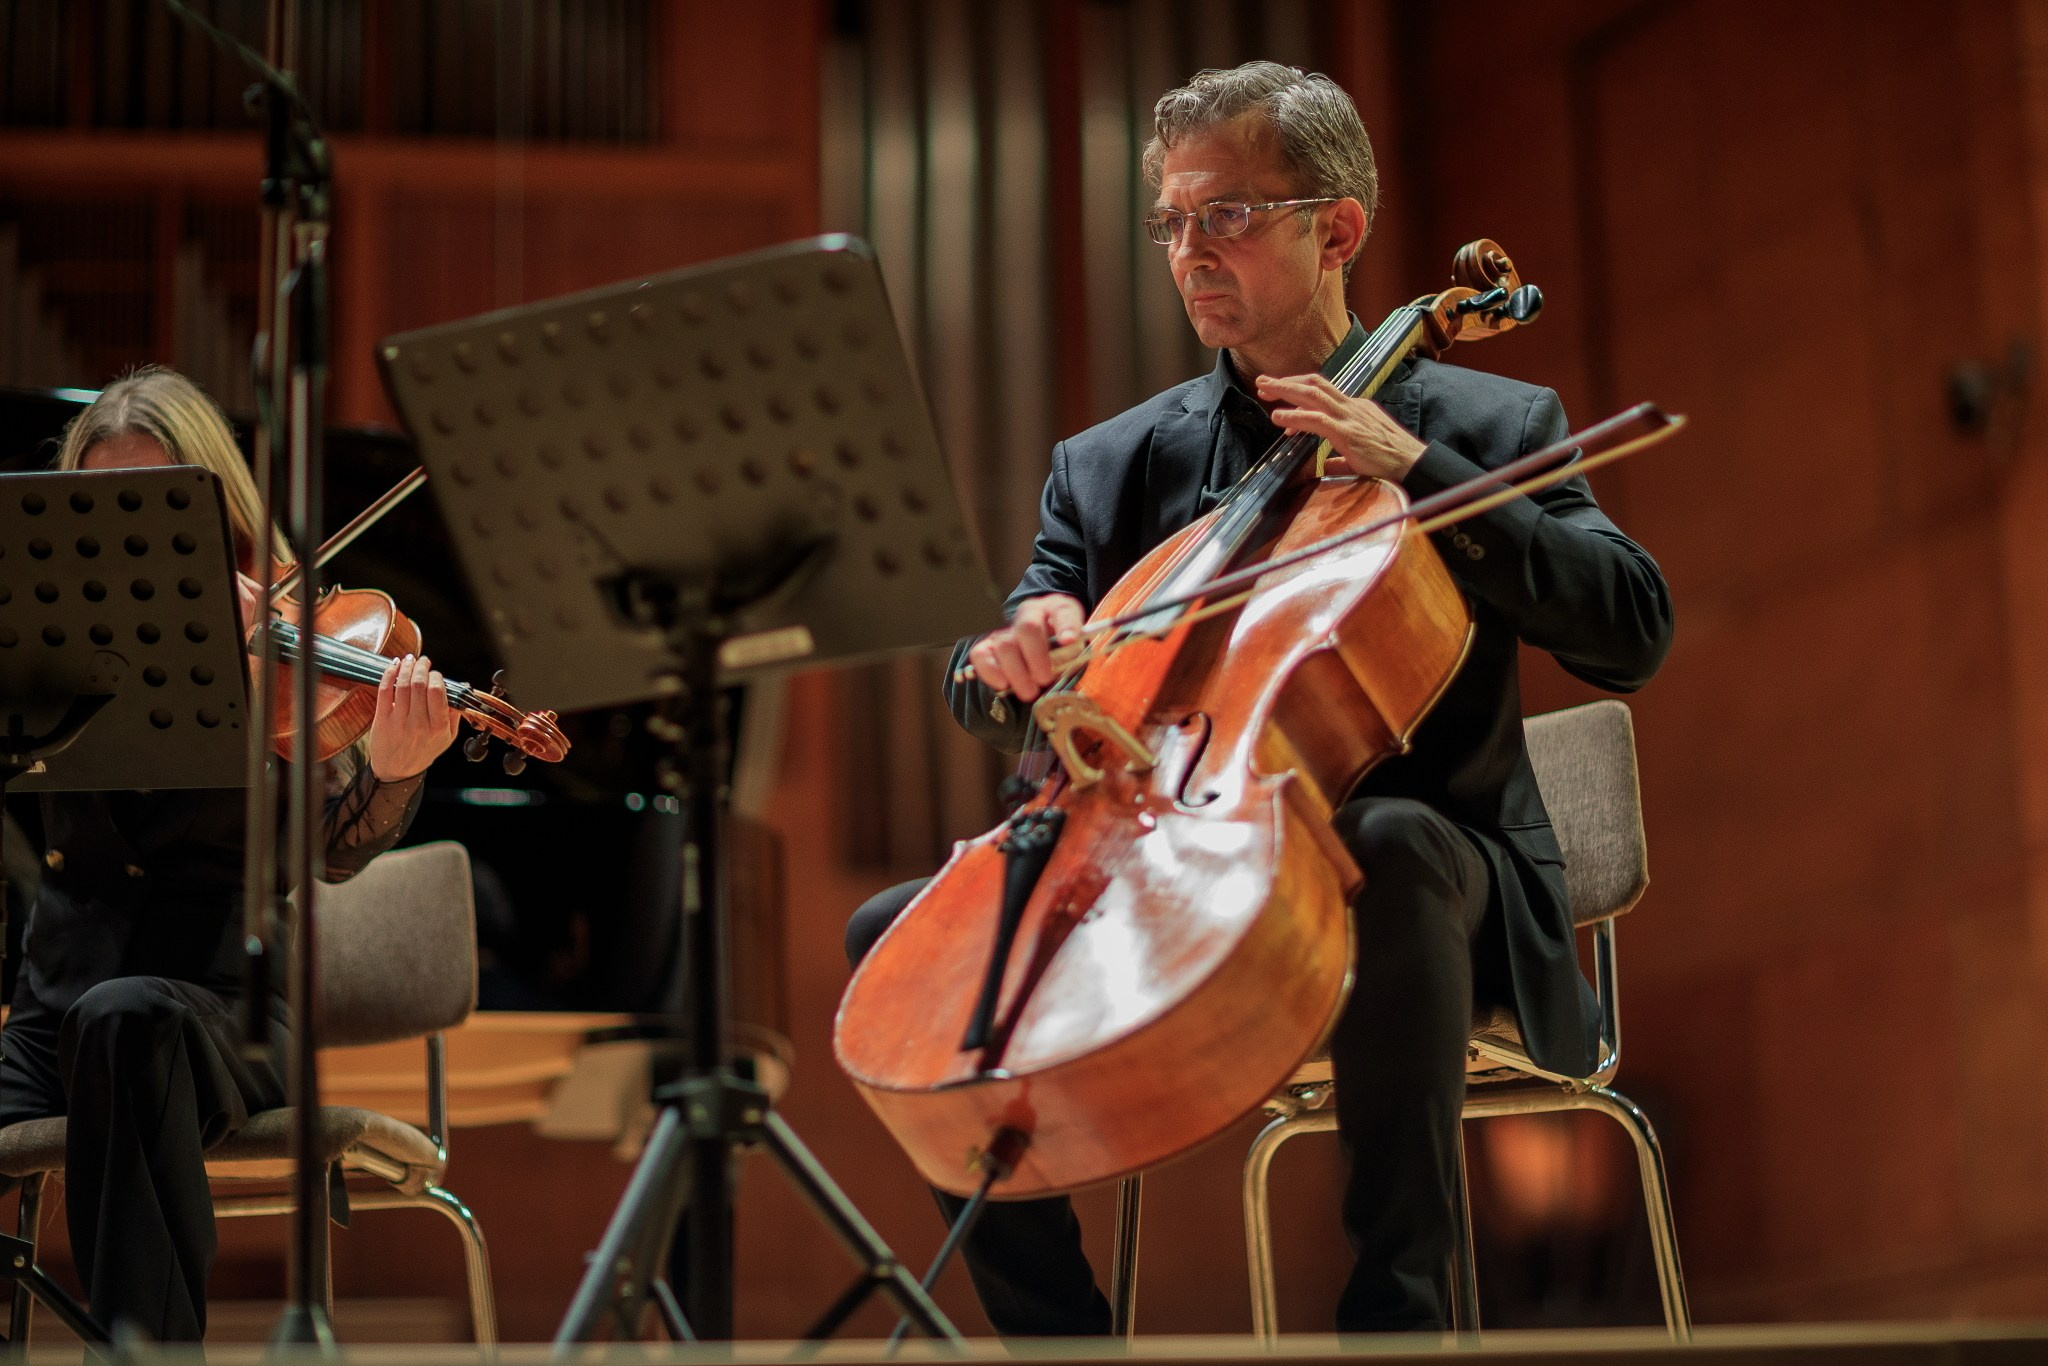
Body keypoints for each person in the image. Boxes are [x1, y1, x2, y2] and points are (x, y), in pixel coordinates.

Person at [843, 62, 1674, 1336]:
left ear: (1335, 226)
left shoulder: (1489, 422)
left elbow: (1630, 630)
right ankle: (1057, 1340)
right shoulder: (1112, 465)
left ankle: (1396, 1319)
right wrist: (1009, 658)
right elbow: (1002, 676)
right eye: (1170, 222)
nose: (1188, 252)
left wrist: (1418, 466)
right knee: (898, 943)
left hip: (1436, 885)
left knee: (1381, 844)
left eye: (1224, 214)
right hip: (1171, 867)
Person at [0, 366, 461, 1341]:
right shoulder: (41, 651)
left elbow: (332, 856)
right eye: (103, 513)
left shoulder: (281, 648)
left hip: (218, 1020)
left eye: (157, 512)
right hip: (51, 1024)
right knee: (96, 1019)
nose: (130, 543)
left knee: (123, 1022)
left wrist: (388, 771)